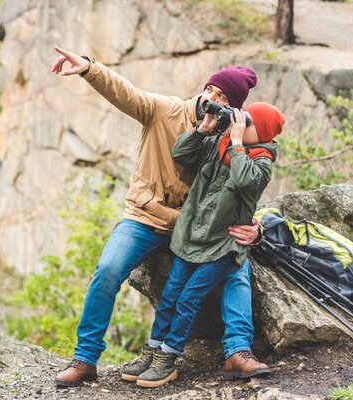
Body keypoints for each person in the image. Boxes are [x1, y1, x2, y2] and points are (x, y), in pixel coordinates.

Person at [50, 46, 268, 388]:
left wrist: (257, 227)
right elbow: (126, 93)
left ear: (234, 107)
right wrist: (89, 68)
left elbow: (242, 188)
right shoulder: (164, 110)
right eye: (212, 89)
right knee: (107, 270)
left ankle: (238, 352)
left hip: (196, 228)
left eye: (224, 97)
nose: (212, 99)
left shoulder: (231, 137)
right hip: (145, 218)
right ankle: (85, 359)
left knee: (237, 264)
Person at [133, 103, 285, 388]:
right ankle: (153, 349)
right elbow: (180, 154)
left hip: (222, 246)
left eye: (246, 122)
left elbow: (243, 180)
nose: (238, 124)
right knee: (170, 296)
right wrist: (202, 130)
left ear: (261, 132)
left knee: (189, 298)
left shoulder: (262, 162)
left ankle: (168, 357)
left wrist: (238, 143)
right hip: (191, 238)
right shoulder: (217, 144)